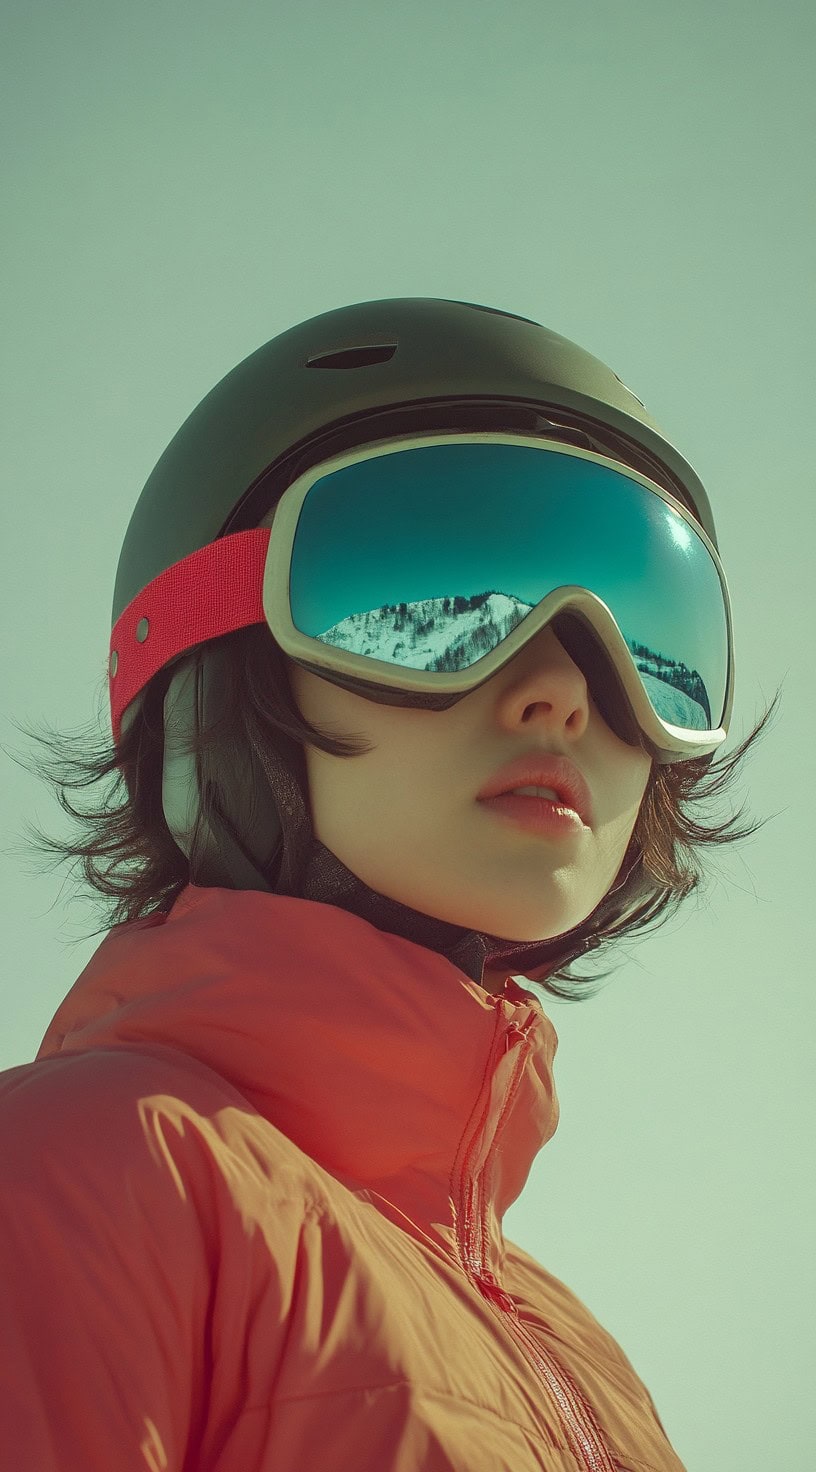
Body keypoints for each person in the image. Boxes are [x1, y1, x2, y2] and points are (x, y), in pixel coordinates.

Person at [0, 298, 776, 1471]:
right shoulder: (81, 1169)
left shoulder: (585, 1354)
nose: (565, 693)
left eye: (649, 641)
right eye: (436, 608)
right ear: (216, 669)